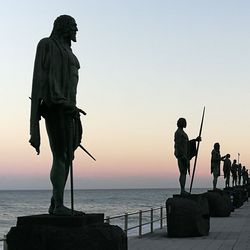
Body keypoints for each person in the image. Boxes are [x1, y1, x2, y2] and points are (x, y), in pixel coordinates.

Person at [29, 15, 85, 215]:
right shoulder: (47, 45)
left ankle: (55, 203)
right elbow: (39, 81)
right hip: (56, 106)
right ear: (64, 27)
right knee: (60, 155)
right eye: (73, 26)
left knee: (68, 156)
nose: (76, 30)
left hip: (70, 109)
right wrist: (33, 126)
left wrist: (72, 106)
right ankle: (59, 205)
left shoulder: (68, 50)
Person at [174, 118, 201, 195]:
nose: (185, 123)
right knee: (182, 172)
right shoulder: (178, 132)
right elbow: (178, 145)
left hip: (184, 155)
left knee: (184, 173)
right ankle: (182, 190)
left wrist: (195, 140)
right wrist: (181, 155)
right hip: (181, 155)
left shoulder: (183, 132)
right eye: (184, 122)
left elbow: (187, 144)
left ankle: (183, 190)